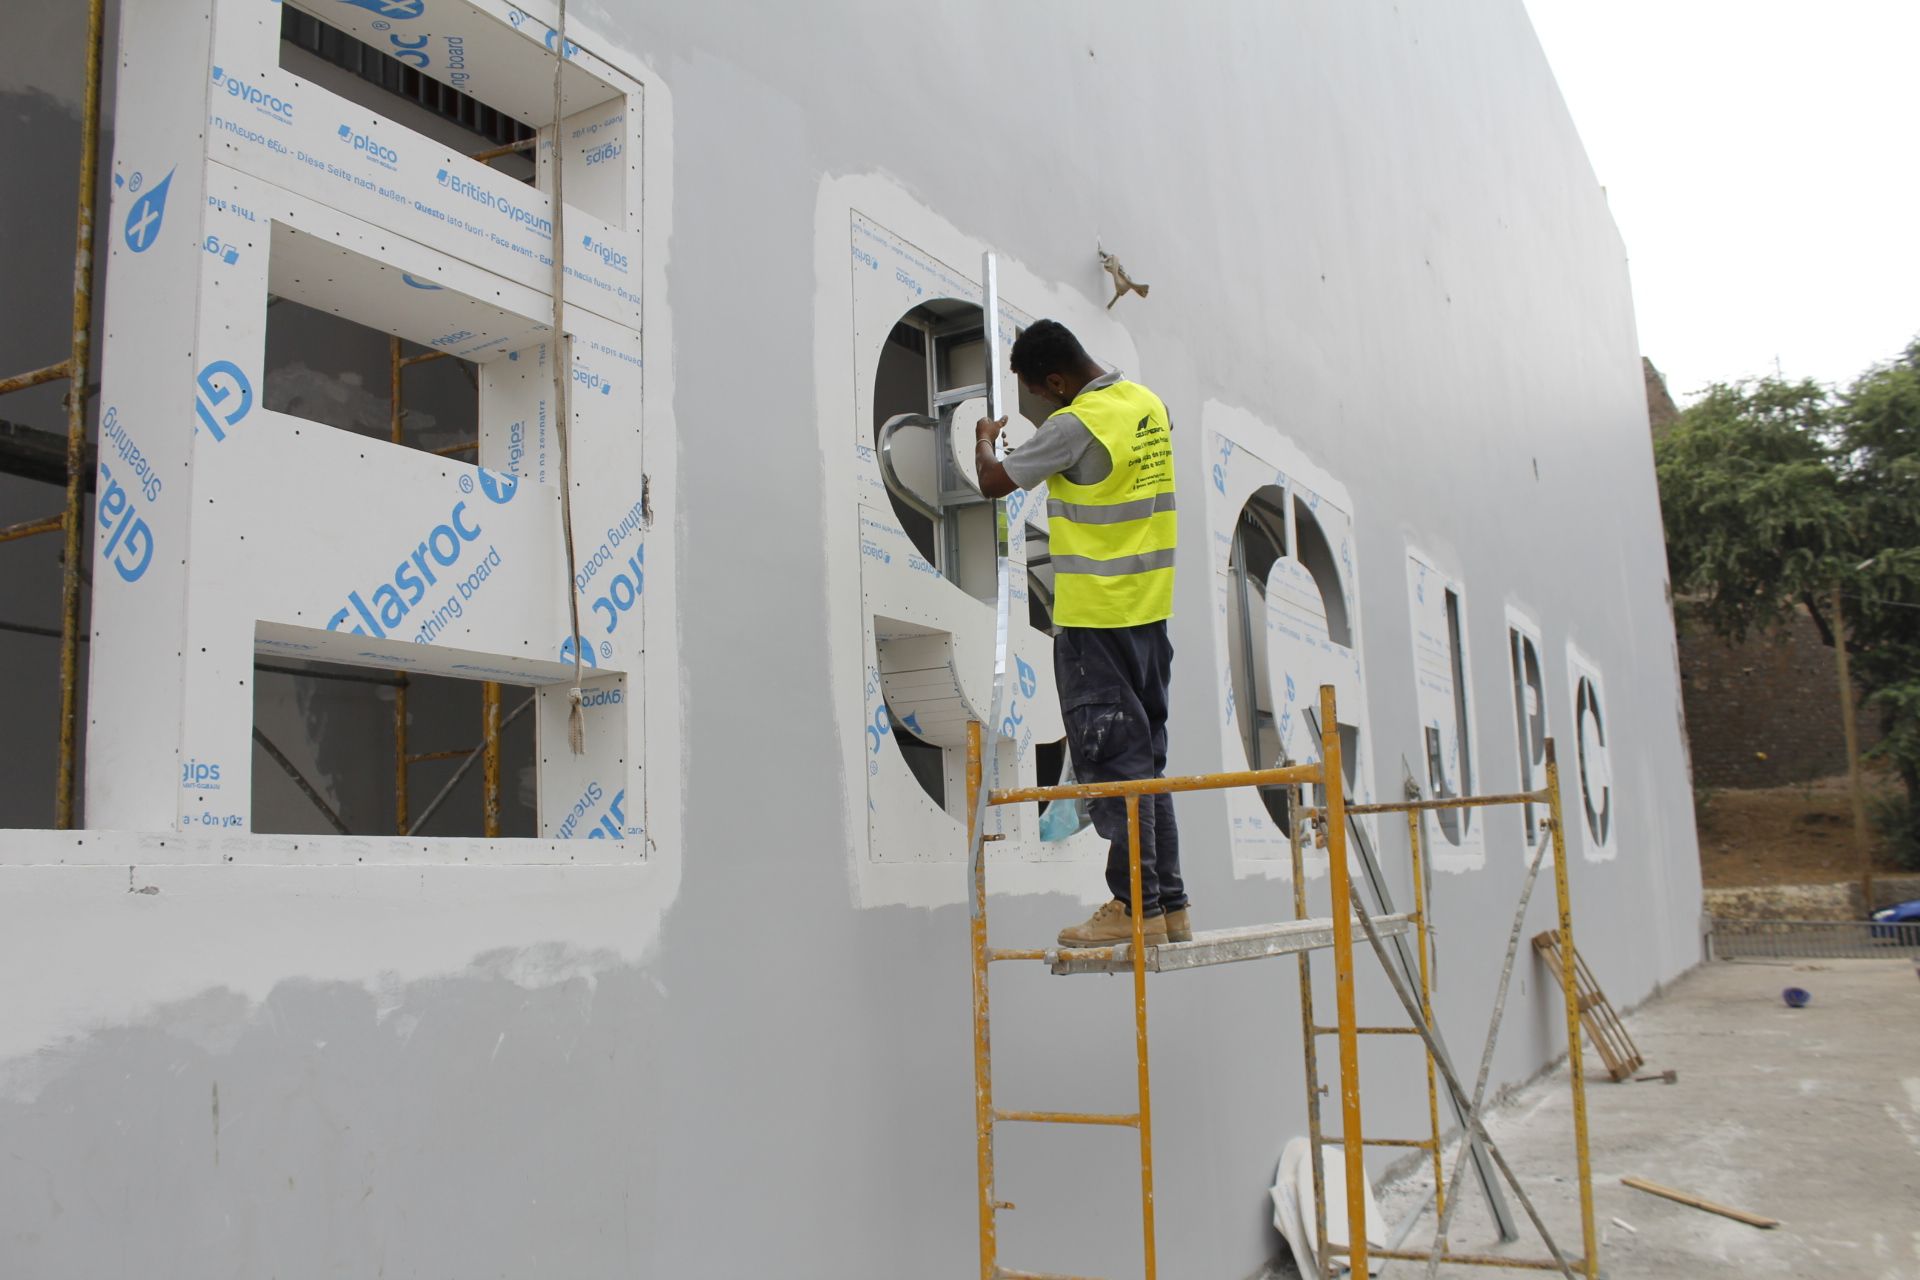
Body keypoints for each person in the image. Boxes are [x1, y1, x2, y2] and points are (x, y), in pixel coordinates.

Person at [972, 319, 1189, 947]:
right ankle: (1167, 907)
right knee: (1146, 764)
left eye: (1039, 393)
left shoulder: (1074, 425)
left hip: (1096, 620)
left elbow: (992, 482)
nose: (1041, 405)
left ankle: (1134, 907)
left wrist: (986, 439)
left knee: (1114, 763)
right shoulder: (1147, 405)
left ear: (1058, 380)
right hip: (1149, 615)